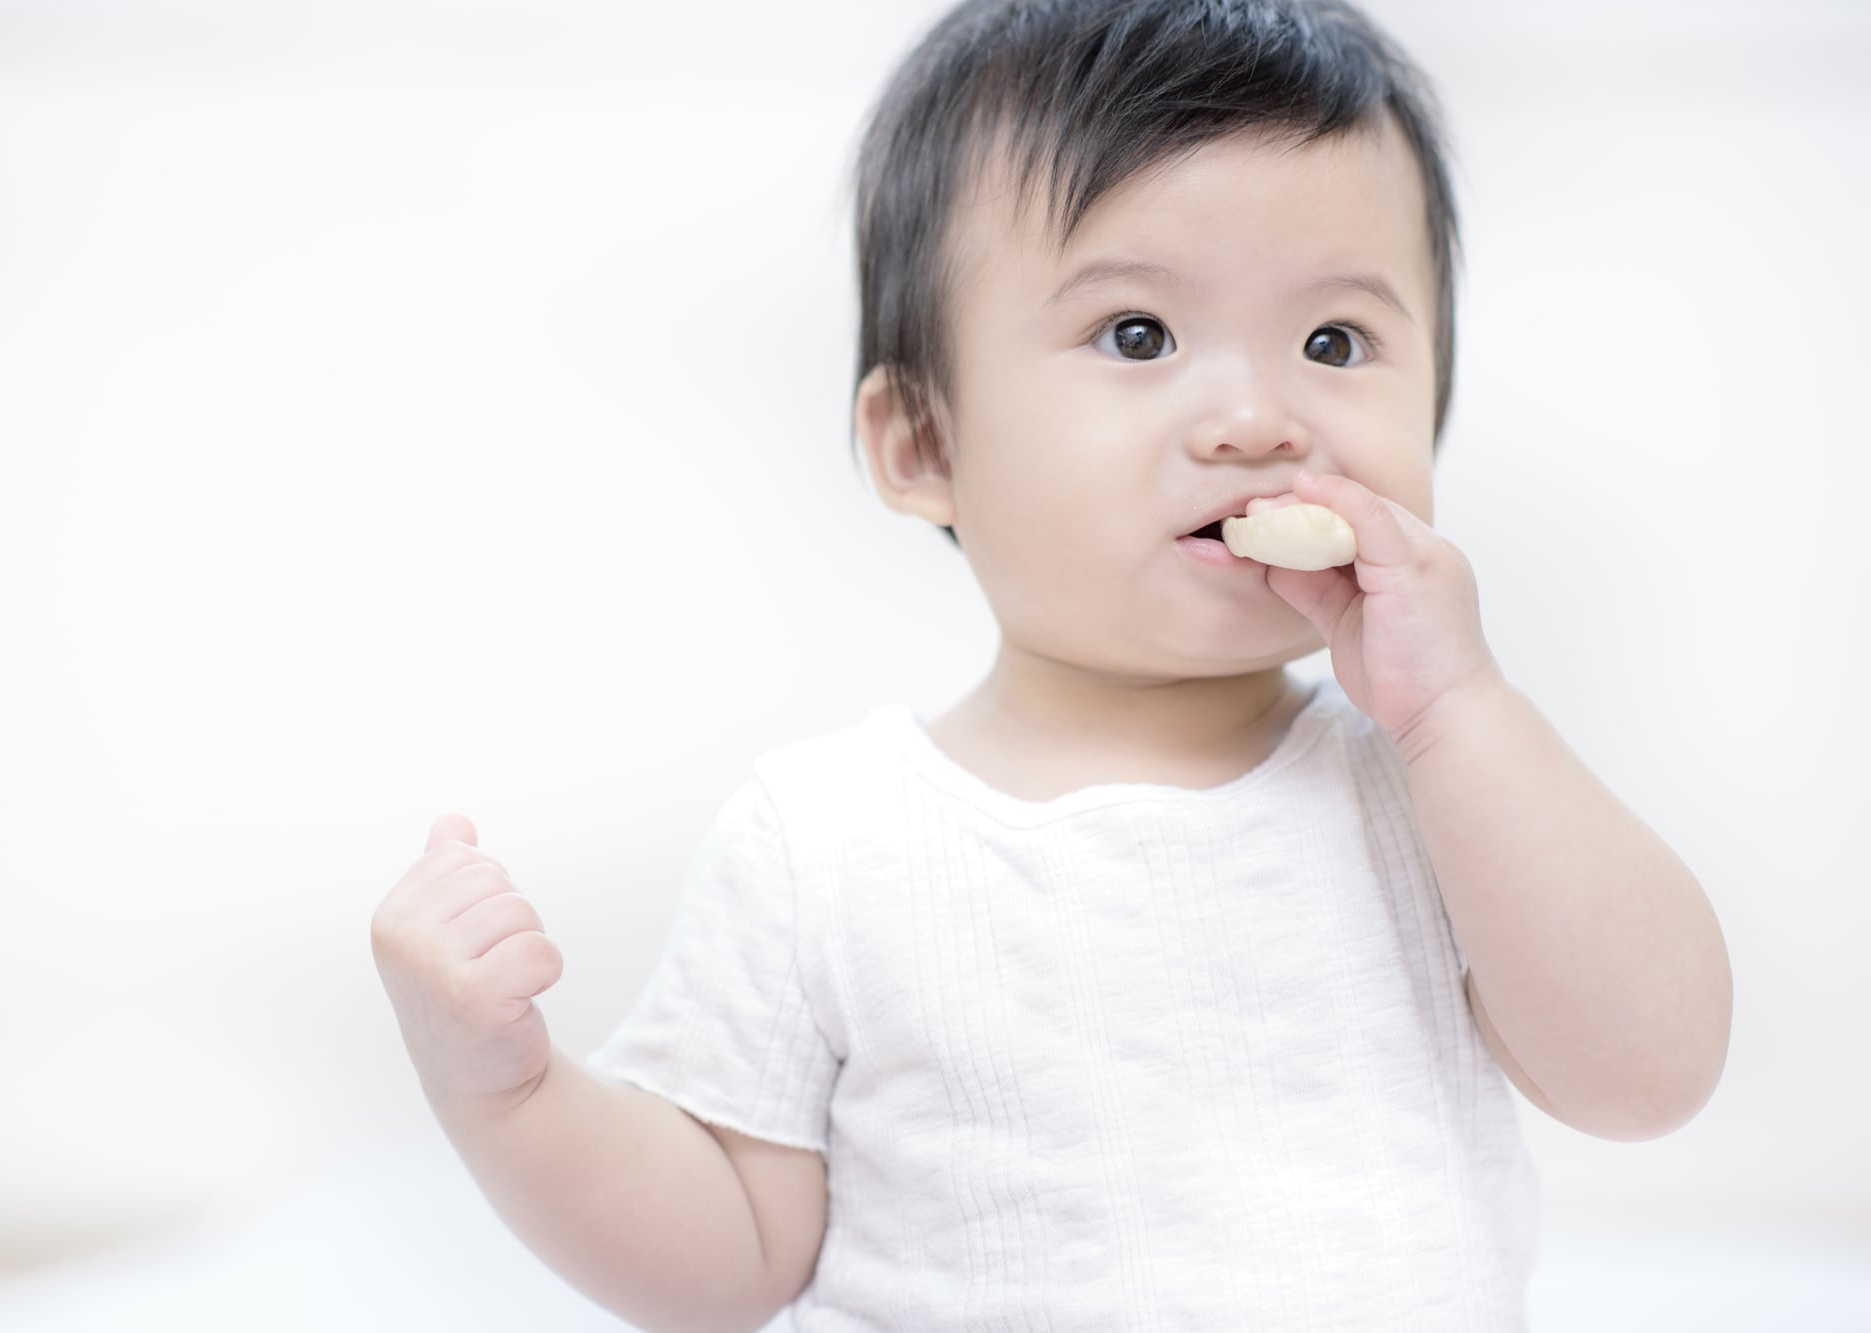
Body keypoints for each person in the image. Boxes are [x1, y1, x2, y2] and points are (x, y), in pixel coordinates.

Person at [370, 1, 1734, 1328]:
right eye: (1138, 334)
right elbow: (722, 1266)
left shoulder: (1438, 787)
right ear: (922, 444)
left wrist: (1459, 712)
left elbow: (1648, 1075)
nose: (1259, 419)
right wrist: (508, 1090)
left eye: (1334, 342)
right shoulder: (828, 842)